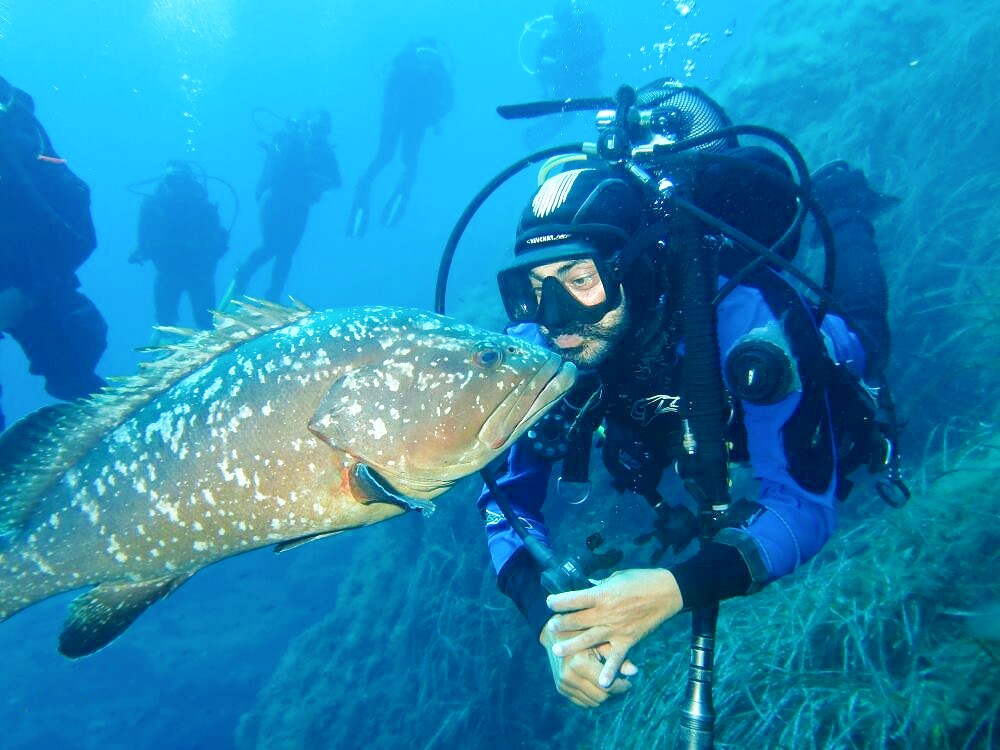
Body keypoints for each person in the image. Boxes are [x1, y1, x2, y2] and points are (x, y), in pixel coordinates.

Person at [478, 85, 897, 708]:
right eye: (535, 287)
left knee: (862, 338)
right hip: (670, 417)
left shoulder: (747, 317)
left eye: (581, 279)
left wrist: (676, 588)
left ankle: (841, 202)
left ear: (635, 267)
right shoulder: (537, 342)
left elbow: (806, 504)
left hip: (750, 365)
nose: (555, 316)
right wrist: (551, 624)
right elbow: (502, 502)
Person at [0, 75, 107, 429]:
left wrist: (28, 288)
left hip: (29, 280)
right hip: (30, 281)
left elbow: (72, 222)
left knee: (75, 353)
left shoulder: (18, 137)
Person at [227, 109, 340, 303]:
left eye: (323, 130)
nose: (318, 133)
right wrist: (310, 177)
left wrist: (322, 180)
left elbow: (337, 180)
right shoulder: (289, 142)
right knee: (271, 247)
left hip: (300, 206)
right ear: (306, 126)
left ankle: (273, 296)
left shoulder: (323, 150)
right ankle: (243, 275)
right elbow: (281, 173)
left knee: (287, 252)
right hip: (275, 201)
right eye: (314, 128)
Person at [346, 38, 453, 237]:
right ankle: (384, 185)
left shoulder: (423, 68)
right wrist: (432, 117)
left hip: (403, 120)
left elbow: (447, 101)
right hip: (408, 120)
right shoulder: (416, 65)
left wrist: (431, 117)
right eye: (423, 53)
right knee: (400, 158)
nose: (426, 59)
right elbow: (447, 102)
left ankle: (371, 183)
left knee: (393, 157)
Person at [129, 161, 228, 333]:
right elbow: (143, 240)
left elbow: (217, 241)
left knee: (203, 322)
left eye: (182, 181)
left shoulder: (203, 207)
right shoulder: (152, 206)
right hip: (171, 271)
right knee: (166, 322)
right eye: (172, 181)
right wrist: (142, 252)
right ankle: (165, 348)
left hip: (197, 272)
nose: (177, 187)